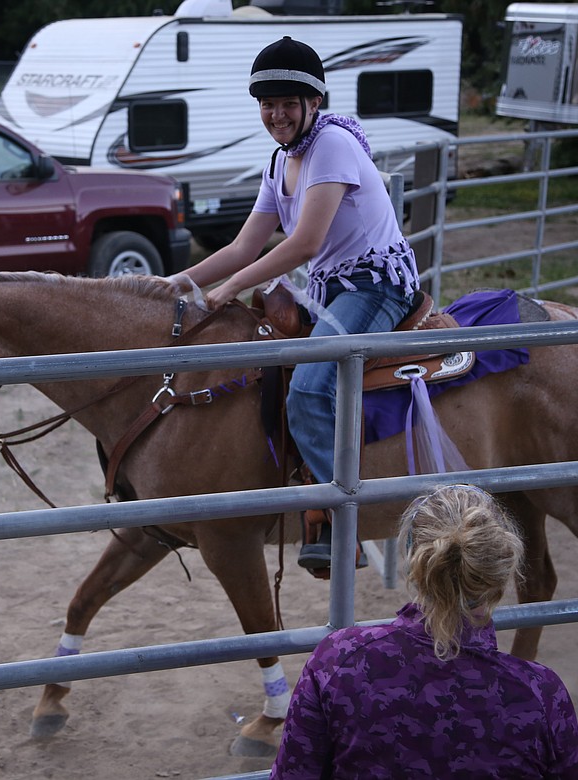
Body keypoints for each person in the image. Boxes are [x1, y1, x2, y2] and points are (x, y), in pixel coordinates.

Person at [171, 36, 419, 572]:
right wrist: (172, 283)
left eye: (288, 103)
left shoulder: (330, 145)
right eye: (268, 104)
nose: (277, 115)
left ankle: (343, 521)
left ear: (314, 104)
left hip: (376, 286)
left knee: (308, 389)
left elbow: (304, 242)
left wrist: (229, 288)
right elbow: (243, 245)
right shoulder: (281, 158)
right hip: (332, 290)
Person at [270, 485, 578, 780]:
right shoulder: (541, 693)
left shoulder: (338, 658)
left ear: (415, 562)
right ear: (501, 573)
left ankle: (323, 513)